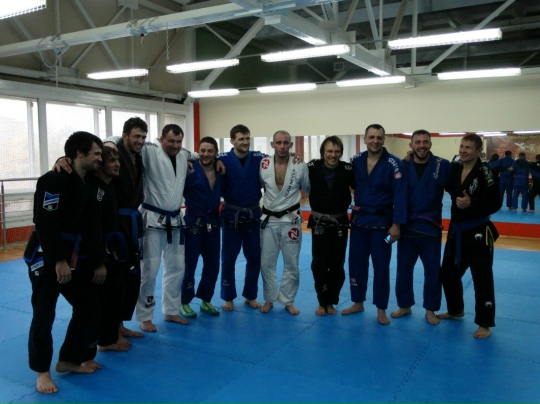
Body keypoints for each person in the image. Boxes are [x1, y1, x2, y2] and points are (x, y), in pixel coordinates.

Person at [25, 131, 105, 394]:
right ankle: (42, 372)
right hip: (47, 256)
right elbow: (45, 224)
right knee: (44, 312)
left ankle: (69, 359)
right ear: (79, 154)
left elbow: (93, 228)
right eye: (96, 154)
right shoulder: (53, 180)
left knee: (89, 305)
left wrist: (97, 261)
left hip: (74, 256)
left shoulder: (89, 182)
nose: (100, 158)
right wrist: (57, 260)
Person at [437, 134, 501, 339]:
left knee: (482, 278)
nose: (463, 150)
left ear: (478, 151)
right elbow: (435, 169)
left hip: (479, 231)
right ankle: (456, 309)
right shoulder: (454, 168)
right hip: (457, 230)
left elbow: (496, 202)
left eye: (468, 147)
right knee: (448, 273)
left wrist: (471, 203)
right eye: (462, 146)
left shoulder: (486, 172)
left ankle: (484, 323)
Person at [343, 124, 407, 325]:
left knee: (382, 267)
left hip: (384, 227)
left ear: (384, 140)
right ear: (365, 139)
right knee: (356, 263)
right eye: (371, 137)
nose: (375, 141)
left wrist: (396, 225)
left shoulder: (394, 163)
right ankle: (358, 302)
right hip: (359, 224)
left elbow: (401, 196)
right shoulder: (355, 160)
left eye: (379, 137)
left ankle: (381, 308)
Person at [129, 124, 189, 332]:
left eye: (178, 141)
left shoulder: (184, 155)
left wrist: (218, 161)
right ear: (161, 139)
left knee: (177, 268)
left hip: (176, 221)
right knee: (150, 269)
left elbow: (203, 155)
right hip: (153, 221)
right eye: (171, 141)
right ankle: (145, 316)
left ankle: (171, 310)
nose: (175, 145)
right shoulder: (149, 151)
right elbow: (119, 142)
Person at [390, 130, 451, 325]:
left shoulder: (442, 165)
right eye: (417, 142)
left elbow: (456, 188)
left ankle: (430, 309)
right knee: (403, 270)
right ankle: (404, 305)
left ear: (430, 144)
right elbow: (394, 195)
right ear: (411, 145)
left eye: (425, 141)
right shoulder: (402, 165)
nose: (421, 145)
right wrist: (394, 223)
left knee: (433, 271)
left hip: (431, 228)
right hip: (406, 227)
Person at [259, 130, 310, 315]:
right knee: (266, 263)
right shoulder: (263, 164)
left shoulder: (299, 165)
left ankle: (288, 300)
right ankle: (269, 298)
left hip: (291, 219)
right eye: (278, 142)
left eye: (285, 142)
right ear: (272, 144)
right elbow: (260, 186)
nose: (282, 146)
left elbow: (307, 188)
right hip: (269, 219)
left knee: (292, 263)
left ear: (290, 145)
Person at [219, 124, 267, 311]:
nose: (245, 142)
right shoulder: (222, 159)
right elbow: (202, 160)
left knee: (254, 258)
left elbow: (280, 159)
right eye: (241, 139)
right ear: (232, 141)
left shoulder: (258, 158)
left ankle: (250, 295)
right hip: (231, 217)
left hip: (252, 217)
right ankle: (228, 297)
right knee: (228, 258)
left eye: (247, 138)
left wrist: (294, 156)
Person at [307, 136, 355, 316]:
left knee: (337, 264)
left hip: (340, 222)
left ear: (341, 153)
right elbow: (292, 172)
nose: (333, 155)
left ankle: (331, 300)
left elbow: (364, 182)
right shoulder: (311, 167)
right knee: (319, 264)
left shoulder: (348, 169)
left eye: (336, 151)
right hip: (319, 222)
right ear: (323, 152)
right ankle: (322, 301)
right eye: (329, 151)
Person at [92, 146, 132, 352]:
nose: (117, 164)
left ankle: (112, 334)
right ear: (100, 164)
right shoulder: (94, 188)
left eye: (118, 160)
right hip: (100, 250)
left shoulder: (111, 185)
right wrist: (98, 261)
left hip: (114, 247)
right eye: (112, 161)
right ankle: (103, 341)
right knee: (102, 299)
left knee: (116, 293)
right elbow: (92, 228)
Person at [180, 137, 223, 318]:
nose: (206, 154)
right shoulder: (188, 168)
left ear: (216, 153)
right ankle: (184, 301)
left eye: (210, 151)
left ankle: (206, 299)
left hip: (213, 223)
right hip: (193, 223)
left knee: (212, 264)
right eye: (203, 150)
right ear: (198, 152)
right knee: (189, 264)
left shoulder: (221, 170)